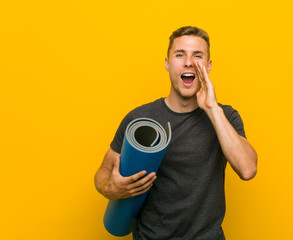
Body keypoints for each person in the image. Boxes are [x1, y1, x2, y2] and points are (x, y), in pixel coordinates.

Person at [94, 26, 258, 240]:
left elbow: (247, 169)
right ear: (167, 63)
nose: (188, 62)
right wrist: (109, 187)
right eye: (180, 54)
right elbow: (105, 169)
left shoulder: (225, 116)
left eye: (197, 56)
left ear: (208, 67)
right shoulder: (139, 118)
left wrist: (212, 108)